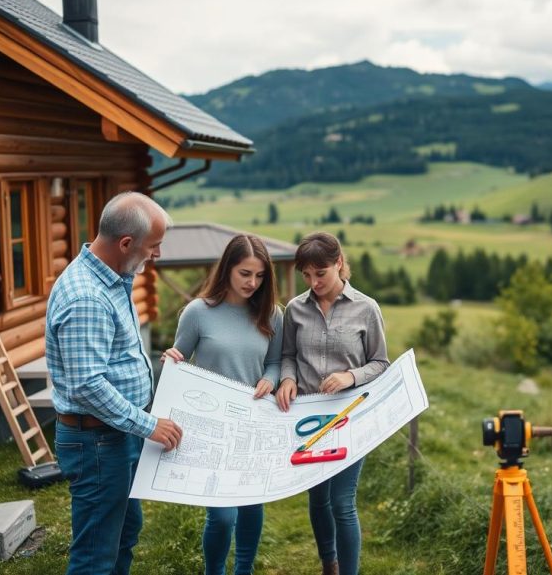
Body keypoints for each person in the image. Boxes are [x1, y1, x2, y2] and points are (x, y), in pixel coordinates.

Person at [46, 191, 183, 575]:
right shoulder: (86, 297)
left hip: (115, 437)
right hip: (98, 444)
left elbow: (113, 359)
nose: (156, 254)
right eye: (153, 246)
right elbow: (87, 385)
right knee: (95, 553)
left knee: (124, 531)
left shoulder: (113, 278)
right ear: (126, 243)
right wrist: (149, 425)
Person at [161, 234, 283, 575]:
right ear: (227, 269)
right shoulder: (198, 312)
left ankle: (244, 569)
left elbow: (275, 362)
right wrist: (172, 358)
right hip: (211, 427)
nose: (253, 283)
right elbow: (179, 360)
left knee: (250, 504)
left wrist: (270, 380)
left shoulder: (272, 314)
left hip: (253, 424)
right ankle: (214, 571)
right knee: (222, 514)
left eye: (259, 276)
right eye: (245, 273)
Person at [275, 232, 389, 575]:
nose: (314, 282)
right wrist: (289, 378)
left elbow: (381, 362)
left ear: (339, 263)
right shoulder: (295, 309)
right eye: (306, 275)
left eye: (320, 273)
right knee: (318, 499)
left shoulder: (367, 309)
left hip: (350, 417)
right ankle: (329, 563)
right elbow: (288, 356)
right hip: (307, 419)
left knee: (342, 502)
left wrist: (350, 376)